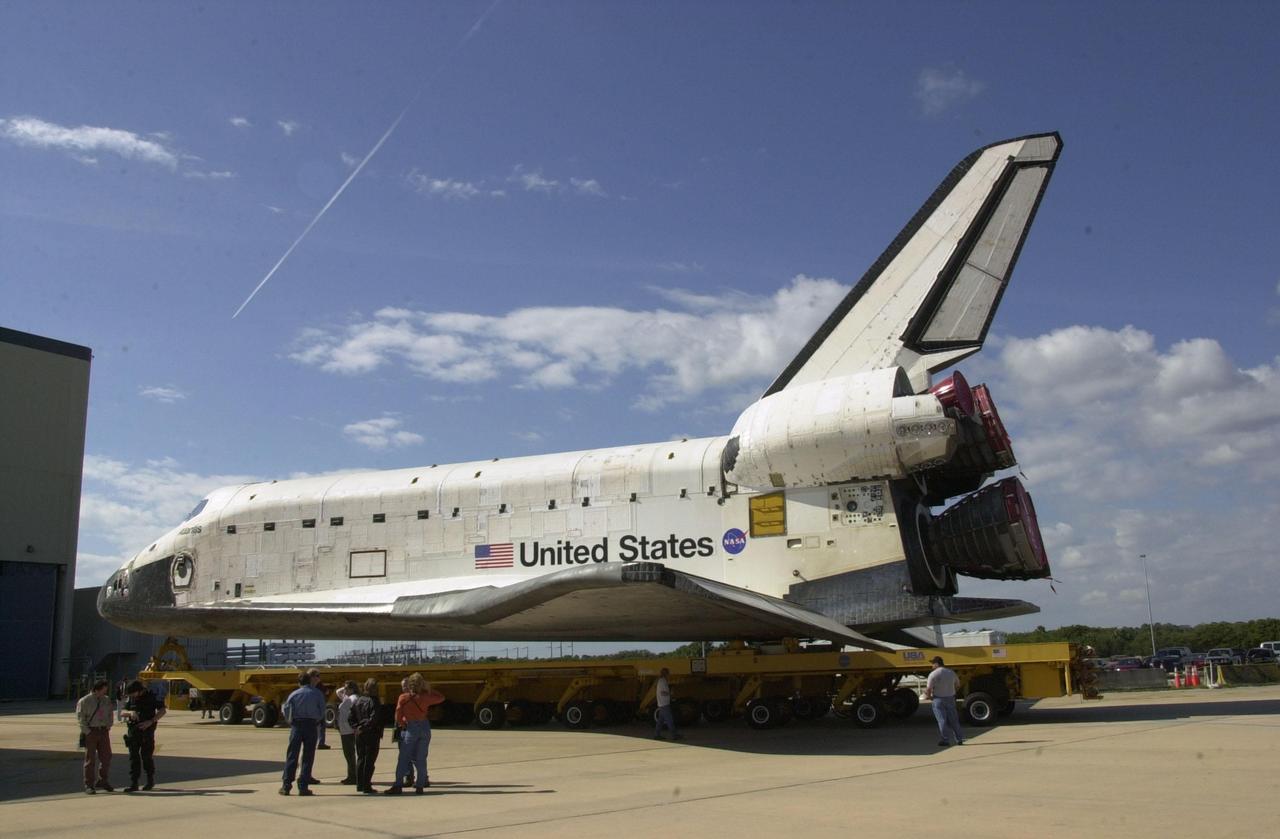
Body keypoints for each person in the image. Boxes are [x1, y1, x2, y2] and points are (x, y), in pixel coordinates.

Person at [384, 673, 445, 795]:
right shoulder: (425, 697)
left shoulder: (403, 698)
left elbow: (398, 716)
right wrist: (428, 688)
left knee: (404, 758)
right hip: (424, 727)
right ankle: (420, 785)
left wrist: (403, 724)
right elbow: (441, 697)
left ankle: (398, 785)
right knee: (421, 758)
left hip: (411, 727)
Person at [279, 670, 326, 796]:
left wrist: (292, 722)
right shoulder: (317, 694)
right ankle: (303, 786)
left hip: (297, 725)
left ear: (299, 682)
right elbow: (322, 712)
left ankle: (286, 785)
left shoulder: (294, 694)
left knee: (292, 755)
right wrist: (315, 720)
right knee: (308, 756)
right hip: (311, 725)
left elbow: (287, 711)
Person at [122, 680, 166, 792]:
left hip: (147, 731)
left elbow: (162, 710)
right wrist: (130, 713)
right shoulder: (132, 698)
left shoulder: (151, 697)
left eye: (133, 693)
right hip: (133, 731)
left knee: (146, 757)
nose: (132, 696)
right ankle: (134, 783)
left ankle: (149, 781)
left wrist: (151, 721)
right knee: (133, 758)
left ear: (139, 690)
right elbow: (122, 712)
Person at [75, 679, 115, 794]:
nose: (105, 691)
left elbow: (110, 713)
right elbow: (80, 718)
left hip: (103, 730)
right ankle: (89, 784)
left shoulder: (106, 700)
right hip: (91, 730)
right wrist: (87, 732)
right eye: (104, 689)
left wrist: (108, 725)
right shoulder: (85, 701)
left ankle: (103, 780)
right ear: (97, 689)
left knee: (106, 756)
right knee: (90, 759)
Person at [350, 678, 382, 794]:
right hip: (371, 733)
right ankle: (366, 785)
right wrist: (363, 727)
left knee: (361, 758)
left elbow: (351, 717)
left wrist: (356, 727)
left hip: (360, 733)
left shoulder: (358, 701)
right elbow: (374, 719)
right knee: (369, 760)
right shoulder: (374, 702)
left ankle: (360, 784)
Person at [924, 656, 964, 747]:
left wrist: (929, 696)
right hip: (950, 698)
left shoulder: (933, 674)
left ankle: (945, 739)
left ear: (937, 664)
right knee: (954, 720)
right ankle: (959, 739)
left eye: (933, 664)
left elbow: (929, 689)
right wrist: (952, 691)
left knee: (942, 720)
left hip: (938, 699)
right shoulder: (951, 672)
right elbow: (958, 685)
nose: (932, 666)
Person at [389, 677, 415, 788]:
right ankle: (409, 776)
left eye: (405, 686)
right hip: (402, 728)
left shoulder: (412, 698)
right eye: (402, 686)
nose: (403, 688)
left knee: (410, 755)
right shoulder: (403, 698)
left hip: (409, 728)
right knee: (405, 754)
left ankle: (410, 776)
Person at [336, 680, 359, 784]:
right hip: (345, 730)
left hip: (348, 730)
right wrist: (345, 688)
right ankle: (352, 774)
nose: (344, 690)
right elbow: (338, 692)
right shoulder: (348, 698)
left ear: (352, 689)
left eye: (346, 688)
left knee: (349, 754)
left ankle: (352, 776)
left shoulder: (352, 699)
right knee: (349, 754)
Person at [653, 668, 682, 740]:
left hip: (662, 704)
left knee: (660, 721)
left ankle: (657, 735)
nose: (669, 675)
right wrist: (670, 693)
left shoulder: (661, 680)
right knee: (670, 720)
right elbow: (662, 692)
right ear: (666, 674)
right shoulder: (662, 681)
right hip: (664, 704)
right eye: (668, 673)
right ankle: (674, 735)